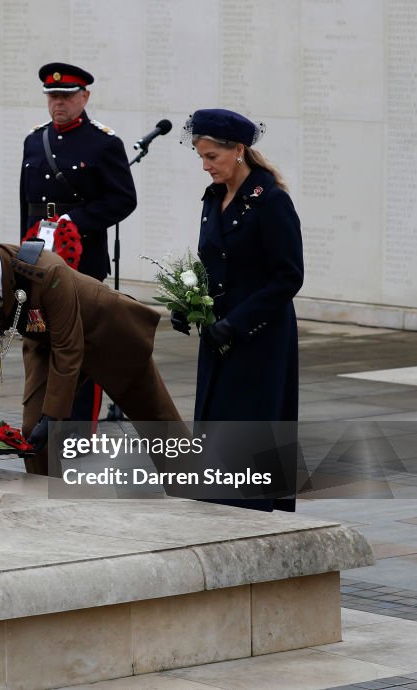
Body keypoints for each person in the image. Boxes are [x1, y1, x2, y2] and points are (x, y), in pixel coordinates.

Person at [0, 211, 182, 477]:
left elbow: (69, 347)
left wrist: (53, 416)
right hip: (46, 340)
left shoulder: (45, 270)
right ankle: (44, 498)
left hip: (107, 335)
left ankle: (198, 490)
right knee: (33, 430)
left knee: (159, 424)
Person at [174, 108, 304, 511]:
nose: (205, 166)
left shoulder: (271, 201)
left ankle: (251, 514)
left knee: (250, 423)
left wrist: (238, 323)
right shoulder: (214, 198)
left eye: (211, 156)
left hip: (259, 336)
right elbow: (208, 262)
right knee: (217, 422)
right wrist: (187, 304)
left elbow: (288, 277)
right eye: (200, 156)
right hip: (218, 332)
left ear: (239, 150)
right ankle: (217, 506)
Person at [19, 62, 138, 424]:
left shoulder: (103, 143)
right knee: (39, 338)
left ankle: (78, 423)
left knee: (79, 344)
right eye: (53, 96)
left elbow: (123, 199)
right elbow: (26, 203)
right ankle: (39, 416)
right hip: (39, 255)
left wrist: (76, 222)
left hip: (80, 258)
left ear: (84, 97)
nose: (59, 103)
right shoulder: (33, 140)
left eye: (67, 96)